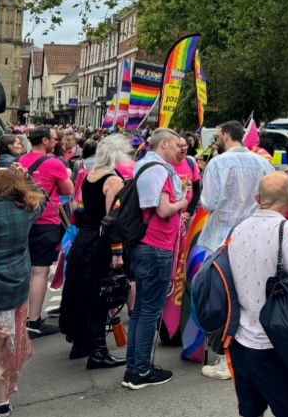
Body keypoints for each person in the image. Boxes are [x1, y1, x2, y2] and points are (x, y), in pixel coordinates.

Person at [227, 172, 288, 417]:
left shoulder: (238, 229)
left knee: (251, 411)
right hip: (281, 342)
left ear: (258, 198)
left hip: (243, 339)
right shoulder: (287, 229)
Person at [198, 120, 274, 380]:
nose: (216, 139)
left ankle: (225, 357)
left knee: (223, 300)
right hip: (254, 236)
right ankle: (252, 351)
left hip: (223, 239)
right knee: (251, 297)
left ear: (226, 135)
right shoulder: (263, 163)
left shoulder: (218, 163)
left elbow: (209, 202)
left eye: (218, 134)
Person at [121, 128, 190, 390]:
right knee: (150, 310)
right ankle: (141, 370)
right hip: (156, 246)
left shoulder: (142, 165)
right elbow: (162, 209)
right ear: (163, 145)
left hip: (143, 245)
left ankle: (133, 368)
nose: (179, 149)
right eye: (176, 145)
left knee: (140, 310)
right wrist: (182, 203)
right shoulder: (159, 170)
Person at [59, 135, 129, 369]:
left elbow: (78, 208)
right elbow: (112, 221)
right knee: (101, 295)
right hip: (101, 242)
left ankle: (81, 343)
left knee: (82, 292)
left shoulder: (90, 176)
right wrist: (117, 252)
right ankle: (98, 351)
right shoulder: (113, 180)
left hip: (84, 239)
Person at [0, 167, 42, 417]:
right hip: (12, 291)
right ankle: (3, 404)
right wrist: (25, 177)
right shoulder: (26, 210)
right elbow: (41, 195)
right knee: (2, 351)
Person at [18, 125, 74, 338]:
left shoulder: (21, 161)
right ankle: (34, 321)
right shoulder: (54, 163)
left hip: (23, 220)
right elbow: (68, 190)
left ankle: (19, 318)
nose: (56, 141)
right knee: (39, 271)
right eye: (53, 138)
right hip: (45, 220)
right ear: (44, 141)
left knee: (24, 269)